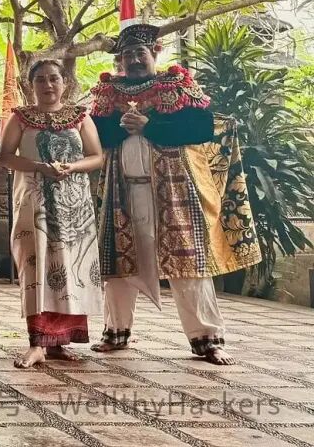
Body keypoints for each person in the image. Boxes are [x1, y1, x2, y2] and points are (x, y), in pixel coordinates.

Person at [90, 23, 260, 366]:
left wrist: (149, 126)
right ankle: (115, 331)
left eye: (140, 53)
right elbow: (95, 134)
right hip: (122, 191)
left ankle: (208, 339)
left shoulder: (179, 86)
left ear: (155, 52)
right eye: (127, 55)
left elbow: (199, 127)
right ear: (120, 60)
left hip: (175, 192)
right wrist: (120, 127)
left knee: (189, 266)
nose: (134, 59)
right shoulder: (108, 92)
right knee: (118, 265)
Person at [0, 59, 104, 368]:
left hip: (74, 207)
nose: (48, 85)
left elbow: (96, 157)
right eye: (41, 80)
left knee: (69, 270)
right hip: (35, 204)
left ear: (64, 83)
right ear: (31, 86)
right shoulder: (20, 118)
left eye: (54, 79)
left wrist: (71, 167)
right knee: (38, 269)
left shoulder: (80, 117)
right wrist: (38, 167)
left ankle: (60, 342)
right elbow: (5, 157)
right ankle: (37, 343)